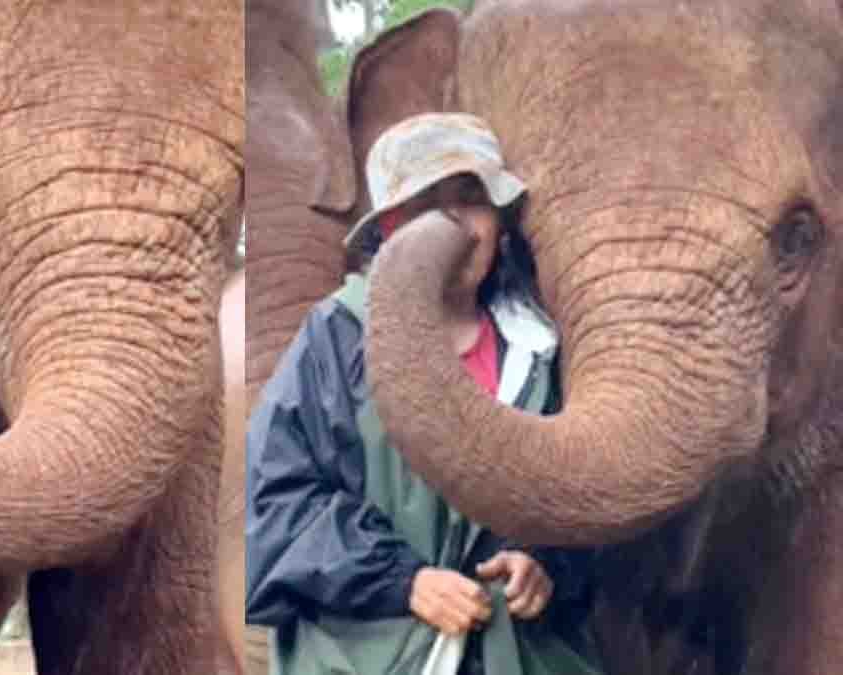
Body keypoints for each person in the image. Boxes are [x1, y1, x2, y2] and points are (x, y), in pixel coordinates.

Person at [245, 113, 602, 675]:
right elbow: (279, 509)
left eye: (471, 197)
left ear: (501, 221)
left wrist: (543, 564)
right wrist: (404, 582)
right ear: (390, 230)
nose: (455, 223)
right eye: (426, 206)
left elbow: (588, 498)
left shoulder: (540, 344)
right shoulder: (336, 337)